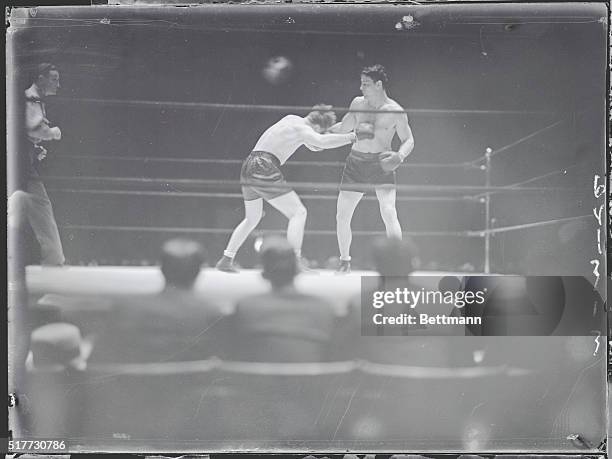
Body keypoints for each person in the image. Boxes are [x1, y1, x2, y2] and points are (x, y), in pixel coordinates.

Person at [216, 105, 373, 273]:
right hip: (264, 166)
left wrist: (329, 135)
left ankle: (226, 259)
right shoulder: (303, 130)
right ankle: (294, 262)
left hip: (249, 164)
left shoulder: (292, 119)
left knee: (252, 218)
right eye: (320, 131)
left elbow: (314, 144)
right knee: (298, 212)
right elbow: (320, 142)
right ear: (318, 127)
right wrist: (353, 137)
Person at [330, 64, 415, 273]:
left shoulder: (396, 111)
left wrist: (400, 155)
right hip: (356, 162)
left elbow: (409, 139)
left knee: (388, 211)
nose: (361, 88)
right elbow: (344, 127)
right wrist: (319, 133)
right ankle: (344, 261)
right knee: (342, 215)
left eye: (366, 84)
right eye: (361, 83)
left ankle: (398, 263)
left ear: (379, 85)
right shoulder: (358, 103)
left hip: (381, 163)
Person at [89, 239, 229, 363]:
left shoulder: (127, 309)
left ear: (162, 269)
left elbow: (98, 360)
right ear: (198, 271)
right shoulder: (212, 314)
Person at [229, 236, 337, 362]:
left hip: (260, 380)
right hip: (307, 380)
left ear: (264, 274)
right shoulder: (322, 308)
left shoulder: (246, 307)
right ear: (297, 271)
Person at [8, 63, 65, 266]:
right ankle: (54, 261)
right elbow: (34, 130)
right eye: (54, 78)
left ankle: (54, 260)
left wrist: (33, 148)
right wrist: (53, 133)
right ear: (41, 79)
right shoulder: (30, 99)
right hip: (20, 165)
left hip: (22, 161)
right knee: (38, 206)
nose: (58, 84)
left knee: (29, 205)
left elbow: (24, 132)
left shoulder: (32, 99)